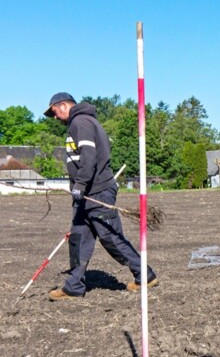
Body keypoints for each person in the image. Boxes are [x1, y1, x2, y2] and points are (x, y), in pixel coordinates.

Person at [43, 92, 157, 300]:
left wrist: (80, 184)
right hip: (85, 195)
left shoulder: (81, 122)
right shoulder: (78, 123)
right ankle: (74, 286)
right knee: (78, 239)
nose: (55, 117)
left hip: (97, 191)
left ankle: (145, 275)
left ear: (64, 105)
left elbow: (89, 156)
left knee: (110, 237)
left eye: (55, 112)